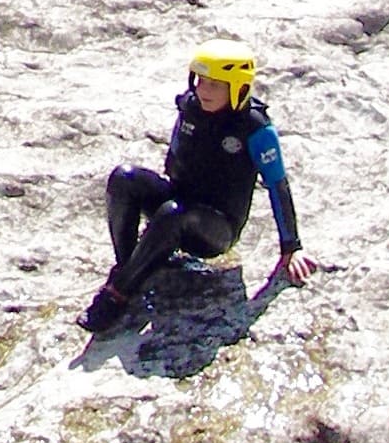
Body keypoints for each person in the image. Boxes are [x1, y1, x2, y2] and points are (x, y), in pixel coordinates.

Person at [77, 38, 319, 335]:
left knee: (173, 214)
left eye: (215, 85)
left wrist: (291, 247)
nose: (203, 91)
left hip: (214, 228)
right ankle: (130, 266)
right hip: (177, 205)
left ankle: (118, 294)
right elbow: (176, 154)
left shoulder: (255, 128)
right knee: (124, 178)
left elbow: (277, 185)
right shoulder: (190, 106)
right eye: (200, 81)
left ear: (238, 86)